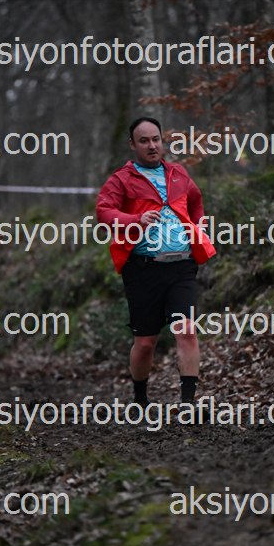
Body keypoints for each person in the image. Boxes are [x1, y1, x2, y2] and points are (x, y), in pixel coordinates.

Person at [96, 117, 216, 408]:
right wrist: (135, 219)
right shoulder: (122, 179)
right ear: (132, 145)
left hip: (182, 266)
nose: (152, 146)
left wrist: (198, 226)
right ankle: (140, 399)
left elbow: (196, 201)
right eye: (144, 141)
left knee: (186, 330)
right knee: (146, 342)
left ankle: (187, 404)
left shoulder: (178, 173)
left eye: (156, 139)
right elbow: (104, 212)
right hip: (143, 269)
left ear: (162, 141)